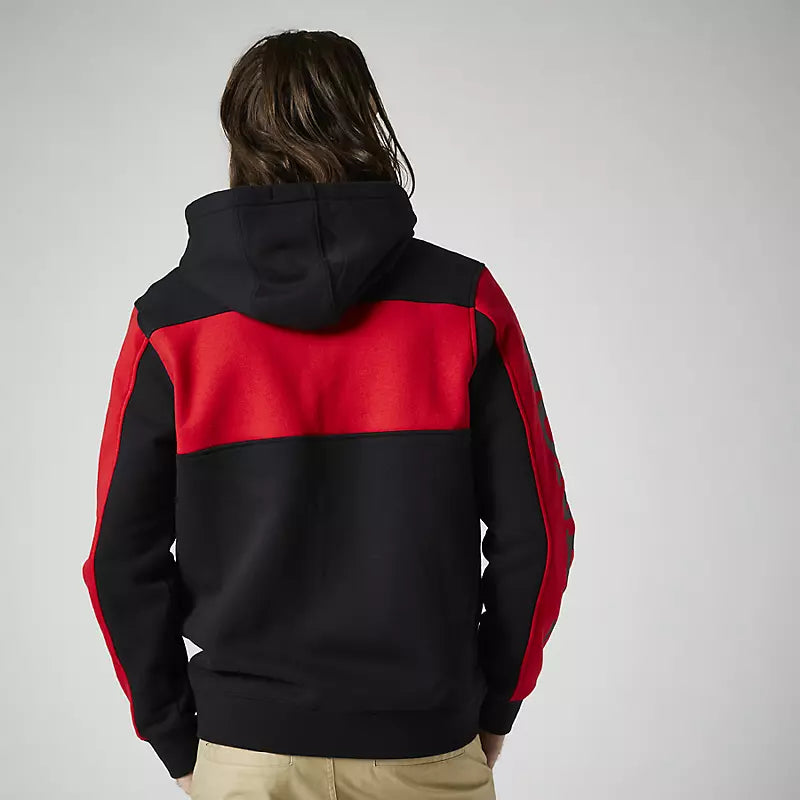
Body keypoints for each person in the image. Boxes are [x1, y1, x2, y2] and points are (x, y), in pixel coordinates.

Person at [81, 28, 575, 800]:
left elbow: (120, 559)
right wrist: (493, 709)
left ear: (240, 136)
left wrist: (177, 740)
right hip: (427, 744)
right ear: (366, 121)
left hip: (248, 755)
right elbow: (539, 538)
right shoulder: (463, 304)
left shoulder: (169, 325)